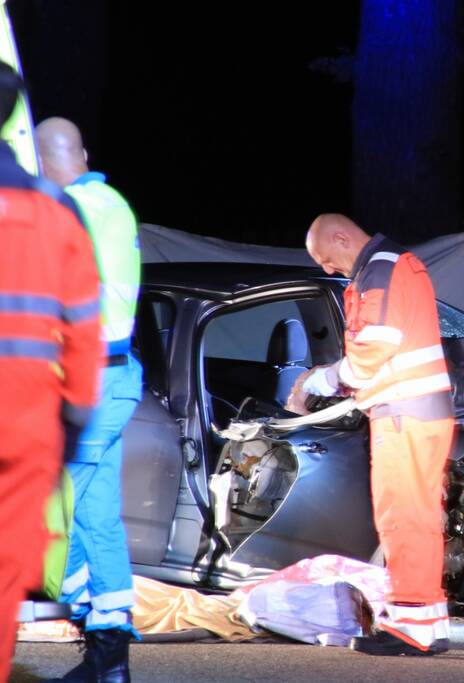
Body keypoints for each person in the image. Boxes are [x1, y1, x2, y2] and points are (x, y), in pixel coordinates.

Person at [297, 213, 454, 656]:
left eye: (327, 258)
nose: (327, 269)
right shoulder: (390, 264)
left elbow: (376, 344)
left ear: (343, 238)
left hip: (404, 412)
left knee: (401, 518)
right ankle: (427, 621)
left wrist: (323, 380)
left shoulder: (380, 269)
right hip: (416, 411)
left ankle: (410, 627)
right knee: (416, 517)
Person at [0, 64, 102, 681]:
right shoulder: (57, 210)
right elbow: (85, 329)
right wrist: (75, 418)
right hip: (30, 417)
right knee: (8, 565)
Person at [36, 116, 142, 682]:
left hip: (91, 381)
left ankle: (95, 629)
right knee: (97, 515)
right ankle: (109, 657)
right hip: (114, 376)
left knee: (55, 503)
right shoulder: (110, 202)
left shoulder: (74, 210)